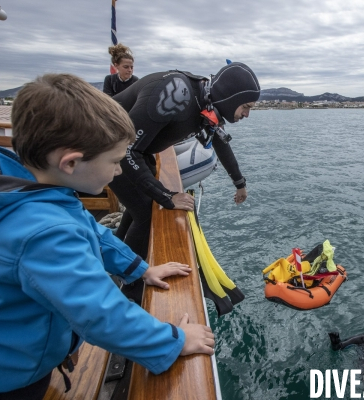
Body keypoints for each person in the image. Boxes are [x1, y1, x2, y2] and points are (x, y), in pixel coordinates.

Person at [0, 74, 214, 399]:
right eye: (114, 161)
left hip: (19, 350)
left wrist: (141, 268)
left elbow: (94, 232)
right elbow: (100, 314)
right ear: (70, 162)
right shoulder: (45, 232)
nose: (117, 171)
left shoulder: (33, 189)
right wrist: (174, 340)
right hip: (6, 379)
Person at [109, 61, 260, 261]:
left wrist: (240, 184)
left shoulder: (206, 103)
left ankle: (115, 251)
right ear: (230, 98)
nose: (247, 114)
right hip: (106, 146)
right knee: (146, 211)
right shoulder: (176, 94)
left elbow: (220, 143)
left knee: (143, 200)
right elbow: (127, 149)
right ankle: (130, 283)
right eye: (245, 106)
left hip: (135, 150)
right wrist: (167, 196)